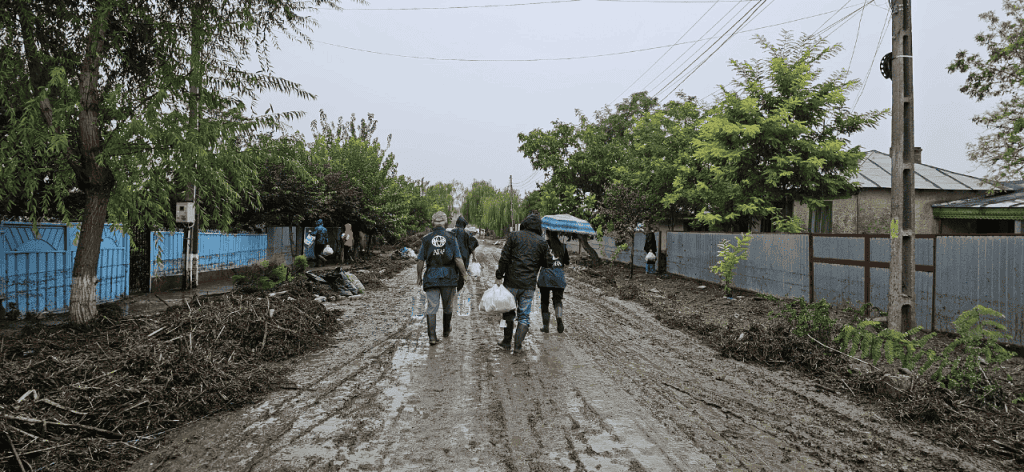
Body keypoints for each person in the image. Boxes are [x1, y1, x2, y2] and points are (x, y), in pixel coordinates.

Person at [495, 213, 553, 354]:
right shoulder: (542, 242)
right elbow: (548, 263)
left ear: (524, 224)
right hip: (528, 286)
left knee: (508, 312)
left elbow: (504, 258)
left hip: (511, 283)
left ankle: (507, 342)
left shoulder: (514, 236)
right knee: (524, 316)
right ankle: (518, 346)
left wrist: (499, 275)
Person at [416, 211, 470, 345]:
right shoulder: (451, 238)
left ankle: (432, 337)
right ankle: (446, 330)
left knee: (432, 307)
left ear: (432, 223)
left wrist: (419, 277)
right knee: (448, 306)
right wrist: (464, 274)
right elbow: (457, 258)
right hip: (449, 276)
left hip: (431, 276)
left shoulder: (426, 239)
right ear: (445, 222)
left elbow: (420, 260)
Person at [537, 230, 570, 333]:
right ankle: (559, 320)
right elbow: (567, 262)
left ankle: (545, 326)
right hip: (558, 277)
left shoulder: (543, 246)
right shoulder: (563, 246)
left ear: (546, 234)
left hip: (545, 276)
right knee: (558, 301)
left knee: (544, 301)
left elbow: (538, 261)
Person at [450, 215, 479, 293]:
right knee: (462, 273)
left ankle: (453, 289)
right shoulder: (468, 234)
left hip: (452, 257)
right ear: (464, 224)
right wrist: (474, 256)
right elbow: (472, 246)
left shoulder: (451, 232)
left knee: (452, 273)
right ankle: (458, 288)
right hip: (464, 257)